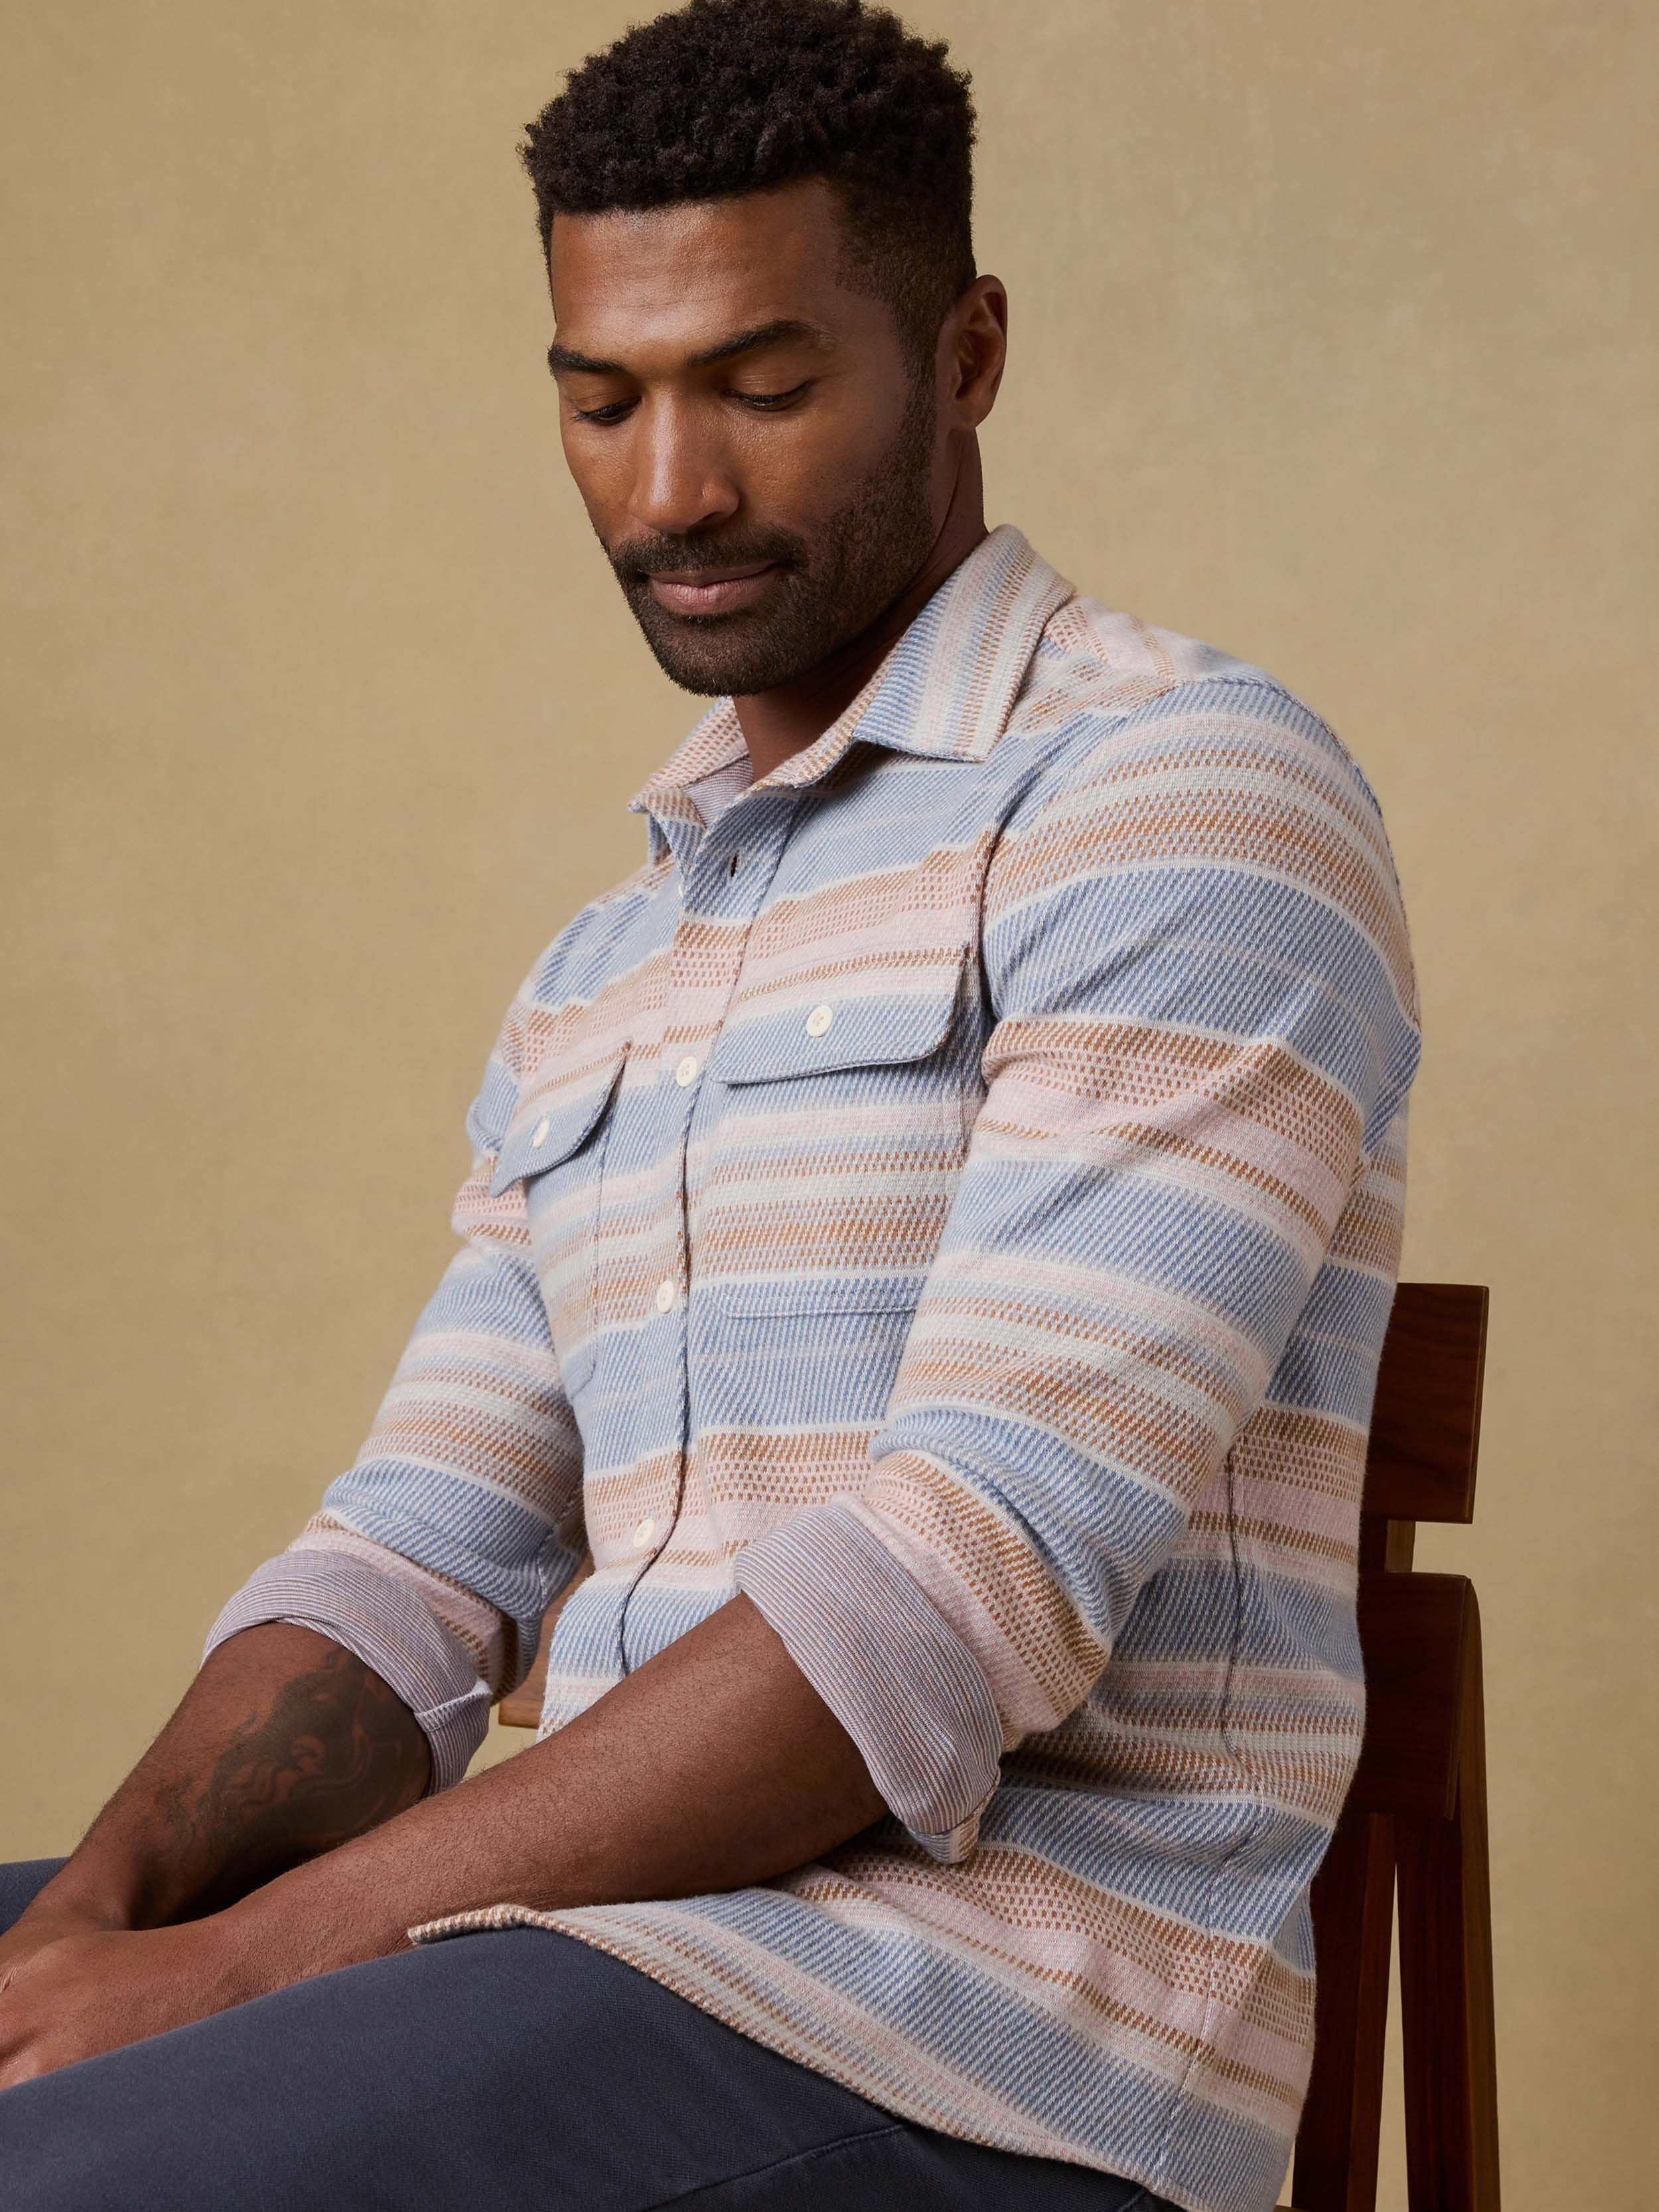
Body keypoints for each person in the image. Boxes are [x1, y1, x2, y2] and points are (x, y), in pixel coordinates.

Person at [0, 3, 1420, 2207]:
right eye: (604, 397)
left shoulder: (1177, 806)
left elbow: (960, 1590)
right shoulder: (611, 963)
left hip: (986, 2042)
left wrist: (235, 1979)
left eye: (763, 386)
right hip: (572, 1953)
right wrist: (93, 1932)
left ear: (962, 353)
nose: (672, 487)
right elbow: (417, 1554)